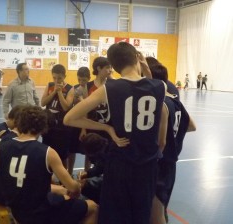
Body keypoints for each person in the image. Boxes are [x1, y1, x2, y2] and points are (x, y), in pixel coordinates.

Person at [64, 42, 168, 224]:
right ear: (137, 58)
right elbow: (149, 84)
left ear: (114, 66)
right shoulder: (160, 86)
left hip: (121, 161)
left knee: (117, 214)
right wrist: (145, 69)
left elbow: (69, 118)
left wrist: (107, 128)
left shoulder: (109, 88)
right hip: (147, 165)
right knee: (141, 213)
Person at [0, 106, 98, 224]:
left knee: (61, 195)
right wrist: (77, 189)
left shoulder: (1, 146)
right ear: (43, 129)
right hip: (39, 215)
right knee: (92, 207)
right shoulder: (48, 153)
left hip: (16, 210)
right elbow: (72, 187)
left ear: (19, 124)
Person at [148, 64, 196, 224]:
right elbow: (191, 126)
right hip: (170, 164)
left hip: (159, 164)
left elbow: (161, 143)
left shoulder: (160, 104)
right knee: (161, 208)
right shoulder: (176, 101)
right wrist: (174, 137)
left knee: (156, 214)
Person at [41, 64, 74, 167]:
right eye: (54, 77)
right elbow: (43, 102)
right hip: (49, 126)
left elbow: (66, 107)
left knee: (62, 155)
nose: (56, 80)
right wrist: (53, 92)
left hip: (62, 127)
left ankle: (63, 180)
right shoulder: (50, 85)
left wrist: (59, 93)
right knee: (47, 153)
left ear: (64, 76)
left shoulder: (70, 88)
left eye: (59, 78)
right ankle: (48, 177)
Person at [68, 67, 91, 175]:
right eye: (79, 80)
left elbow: (87, 108)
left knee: (88, 151)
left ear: (89, 79)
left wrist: (84, 129)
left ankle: (86, 174)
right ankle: (69, 172)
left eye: (84, 80)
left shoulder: (91, 90)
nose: (81, 82)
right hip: (74, 124)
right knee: (72, 150)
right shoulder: (75, 89)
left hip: (86, 124)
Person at [78, 133, 108, 204]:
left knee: (85, 187)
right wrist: (88, 173)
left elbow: (107, 175)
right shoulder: (102, 149)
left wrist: (87, 183)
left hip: (116, 182)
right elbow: (100, 167)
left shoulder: (112, 155)